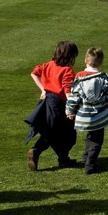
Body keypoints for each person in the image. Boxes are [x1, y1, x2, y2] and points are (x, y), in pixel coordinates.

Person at [27, 41, 79, 171]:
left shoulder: (48, 65)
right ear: (70, 56)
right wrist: (72, 108)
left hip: (45, 104)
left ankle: (59, 158)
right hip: (59, 106)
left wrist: (43, 89)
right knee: (68, 135)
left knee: (50, 132)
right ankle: (58, 157)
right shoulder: (67, 70)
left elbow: (34, 73)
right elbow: (68, 92)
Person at [66, 47, 108, 174]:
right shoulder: (104, 78)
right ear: (100, 62)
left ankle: (85, 158)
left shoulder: (78, 77)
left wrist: (70, 111)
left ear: (85, 61)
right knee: (97, 140)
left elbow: (73, 98)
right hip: (99, 116)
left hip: (83, 115)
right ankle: (90, 165)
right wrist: (105, 98)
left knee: (90, 136)